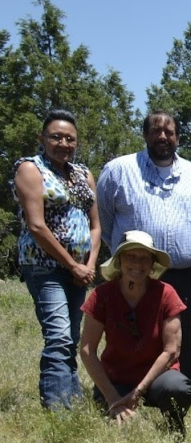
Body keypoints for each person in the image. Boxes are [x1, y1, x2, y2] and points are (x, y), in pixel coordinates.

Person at [97, 111, 191, 392]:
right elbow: (104, 218)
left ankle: (187, 387)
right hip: (136, 271)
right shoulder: (119, 169)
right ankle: (128, 385)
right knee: (134, 332)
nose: (163, 136)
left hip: (186, 273)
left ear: (178, 137)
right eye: (156, 131)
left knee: (187, 333)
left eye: (169, 131)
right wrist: (126, 258)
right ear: (145, 135)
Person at [11, 109, 101, 408]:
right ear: (42, 138)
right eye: (56, 137)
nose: (63, 143)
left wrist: (88, 265)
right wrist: (72, 263)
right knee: (59, 335)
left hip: (79, 270)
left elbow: (95, 225)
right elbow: (36, 225)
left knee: (71, 336)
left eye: (70, 139)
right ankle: (58, 410)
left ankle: (71, 400)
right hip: (44, 266)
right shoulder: (30, 169)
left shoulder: (82, 173)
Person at [79, 231, 191, 434]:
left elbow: (171, 351)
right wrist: (113, 398)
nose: (137, 264)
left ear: (152, 265)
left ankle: (174, 426)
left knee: (178, 388)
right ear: (119, 261)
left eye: (144, 258)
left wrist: (138, 392)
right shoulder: (102, 295)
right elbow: (87, 350)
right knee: (119, 429)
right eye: (131, 256)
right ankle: (117, 407)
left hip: (158, 377)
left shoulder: (166, 294)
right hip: (117, 379)